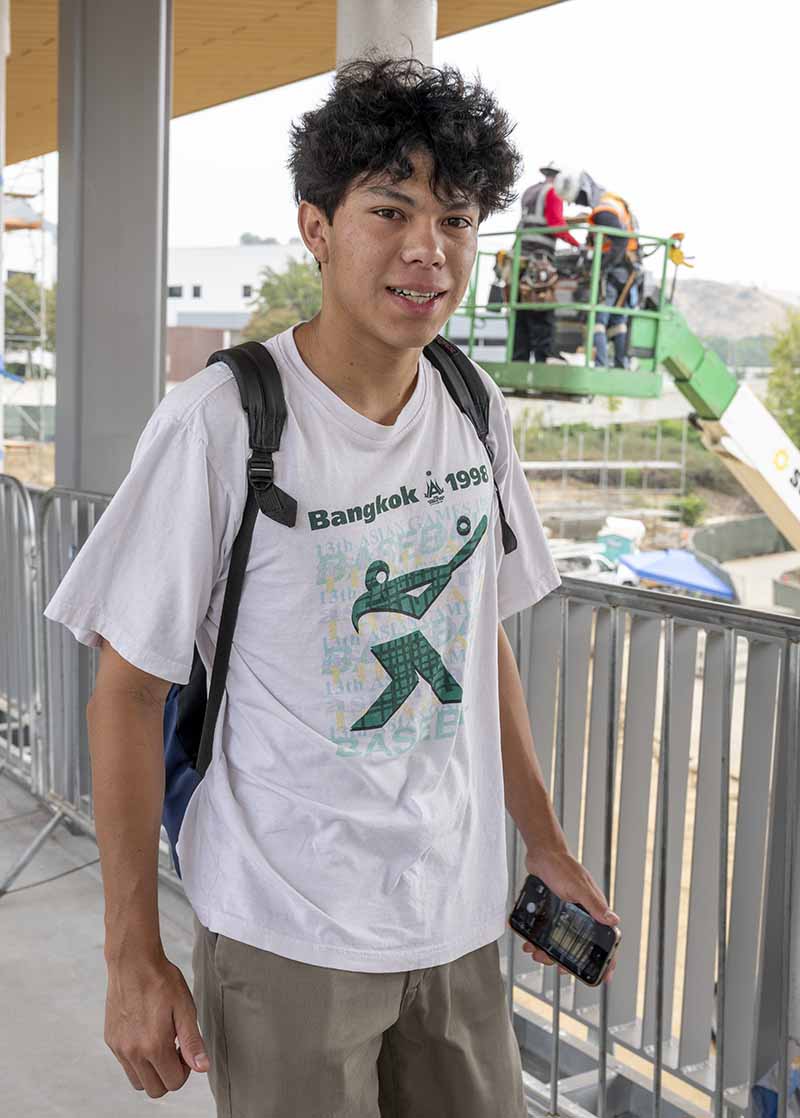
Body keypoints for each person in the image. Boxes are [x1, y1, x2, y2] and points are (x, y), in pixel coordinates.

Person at [44, 59, 618, 1117]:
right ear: (316, 226)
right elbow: (125, 690)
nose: (425, 250)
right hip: (286, 928)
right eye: (389, 210)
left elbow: (471, 628)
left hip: (455, 919)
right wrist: (134, 952)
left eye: (453, 219)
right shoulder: (222, 423)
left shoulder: (468, 401)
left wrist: (541, 838)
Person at [556, 172, 640, 368]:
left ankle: (601, 364)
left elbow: (620, 240)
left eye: (576, 200)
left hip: (616, 269)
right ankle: (620, 364)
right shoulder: (608, 201)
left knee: (598, 320)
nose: (577, 203)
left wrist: (602, 267)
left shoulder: (603, 210)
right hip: (627, 268)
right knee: (618, 320)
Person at [511, 160, 582, 365]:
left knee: (522, 312)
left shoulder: (531, 191)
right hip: (540, 260)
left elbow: (539, 219)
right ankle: (543, 361)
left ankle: (519, 363)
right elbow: (554, 224)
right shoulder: (553, 192)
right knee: (542, 312)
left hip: (521, 258)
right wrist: (577, 244)